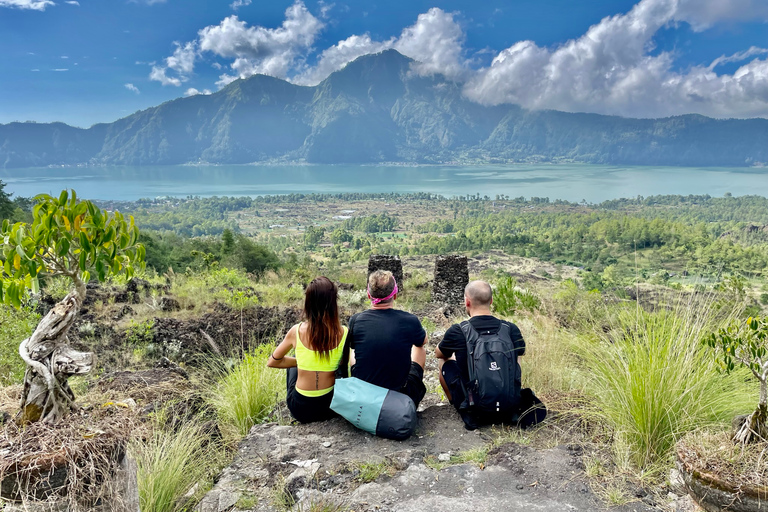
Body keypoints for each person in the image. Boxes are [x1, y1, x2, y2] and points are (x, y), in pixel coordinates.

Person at [435, 280, 546, 430]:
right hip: (508, 407)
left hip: (476, 410)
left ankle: (458, 404)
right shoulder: (510, 329)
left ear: (467, 302)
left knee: (444, 361)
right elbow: (518, 360)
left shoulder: (458, 331)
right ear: (491, 301)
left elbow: (439, 354)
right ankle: (504, 395)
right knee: (516, 357)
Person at [267, 276, 347, 424]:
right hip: (329, 408)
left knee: (293, 363)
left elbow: (273, 362)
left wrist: (302, 362)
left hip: (300, 410)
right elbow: (344, 366)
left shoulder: (295, 331)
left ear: (308, 302)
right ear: (333, 302)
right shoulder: (344, 333)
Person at [347, 270, 428, 407]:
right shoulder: (409, 320)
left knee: (353, 350)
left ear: (368, 295)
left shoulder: (356, 320)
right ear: (395, 295)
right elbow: (423, 341)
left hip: (364, 396)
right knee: (419, 347)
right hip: (400, 395)